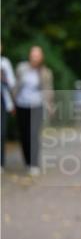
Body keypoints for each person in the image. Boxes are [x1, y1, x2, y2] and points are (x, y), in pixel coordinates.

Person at [14, 46, 54, 176]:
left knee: (33, 134)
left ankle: (34, 164)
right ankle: (27, 161)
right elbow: (15, 86)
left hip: (36, 105)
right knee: (24, 134)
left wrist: (50, 105)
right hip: (21, 104)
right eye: (33, 54)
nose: (35, 57)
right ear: (29, 55)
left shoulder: (45, 72)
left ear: (41, 57)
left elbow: (48, 90)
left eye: (37, 55)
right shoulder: (21, 68)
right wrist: (12, 103)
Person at [0, 41, 15, 172]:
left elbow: (12, 83)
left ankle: (1, 163)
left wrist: (3, 78)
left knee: (1, 132)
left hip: (2, 101)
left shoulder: (5, 63)